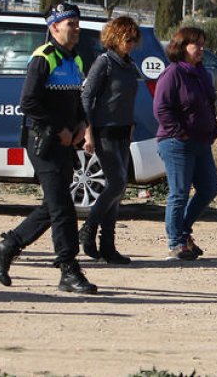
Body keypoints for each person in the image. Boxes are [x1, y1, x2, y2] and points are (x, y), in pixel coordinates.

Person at [0, 3, 97, 294]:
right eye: (70, 23)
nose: (76, 28)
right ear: (54, 27)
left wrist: (81, 124)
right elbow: (29, 103)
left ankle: (5, 247)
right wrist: (57, 128)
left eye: (77, 22)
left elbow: (77, 100)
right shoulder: (43, 57)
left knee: (54, 205)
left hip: (65, 143)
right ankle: (68, 268)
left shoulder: (77, 60)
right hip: (43, 142)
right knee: (62, 208)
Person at [152, 26, 217, 261]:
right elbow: (161, 108)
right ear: (182, 47)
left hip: (201, 142)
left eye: (203, 43)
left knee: (209, 188)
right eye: (196, 44)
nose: (201, 48)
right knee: (179, 193)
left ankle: (183, 230)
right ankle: (176, 243)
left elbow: (208, 104)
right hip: (176, 143)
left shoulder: (202, 73)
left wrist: (213, 127)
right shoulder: (172, 74)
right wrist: (179, 133)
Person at [79, 16, 142, 265]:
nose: (131, 44)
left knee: (118, 190)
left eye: (134, 40)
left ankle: (108, 246)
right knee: (116, 183)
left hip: (123, 132)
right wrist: (87, 132)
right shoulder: (103, 63)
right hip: (103, 131)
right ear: (115, 38)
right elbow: (87, 97)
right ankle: (88, 228)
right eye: (128, 39)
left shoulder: (129, 65)